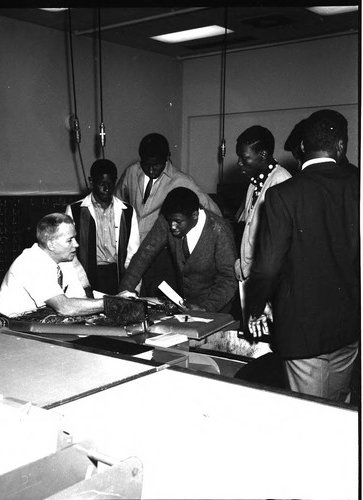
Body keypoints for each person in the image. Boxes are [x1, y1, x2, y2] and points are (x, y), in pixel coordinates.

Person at [247, 109, 359, 402]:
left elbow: (268, 267)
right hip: (349, 329)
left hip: (303, 335)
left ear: (301, 148)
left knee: (311, 421)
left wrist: (255, 308)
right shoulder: (357, 183)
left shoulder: (284, 194)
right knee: (338, 410)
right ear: (341, 146)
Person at [115, 132, 221, 296]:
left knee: (158, 301)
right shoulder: (131, 172)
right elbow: (117, 202)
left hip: (162, 255)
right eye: (146, 164)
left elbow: (213, 212)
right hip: (133, 251)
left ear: (167, 158)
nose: (151, 170)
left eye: (156, 165)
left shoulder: (181, 181)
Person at [118, 187, 237, 313]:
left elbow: (229, 279)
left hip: (216, 309)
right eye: (170, 221)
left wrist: (206, 307)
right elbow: (144, 255)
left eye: (178, 222)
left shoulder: (219, 231)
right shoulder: (170, 219)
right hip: (187, 306)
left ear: (195, 215)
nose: (172, 226)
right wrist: (124, 292)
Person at [0, 213, 104, 318]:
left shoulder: (65, 260)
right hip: (10, 326)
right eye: (70, 240)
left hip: (39, 320)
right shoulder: (31, 263)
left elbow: (79, 299)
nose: (76, 244)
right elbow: (64, 307)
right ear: (51, 244)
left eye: (75, 238)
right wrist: (110, 303)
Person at [235, 126, 291, 325]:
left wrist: (264, 295)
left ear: (264, 154)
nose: (240, 163)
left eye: (245, 158)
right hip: (253, 280)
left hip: (270, 287)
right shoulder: (254, 182)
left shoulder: (281, 182)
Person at [65, 159, 139, 295]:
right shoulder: (75, 210)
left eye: (111, 184)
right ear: (91, 182)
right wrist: (82, 283)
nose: (107, 189)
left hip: (117, 275)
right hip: (88, 274)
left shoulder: (127, 211)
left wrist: (130, 284)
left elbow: (132, 253)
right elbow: (70, 254)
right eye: (102, 184)